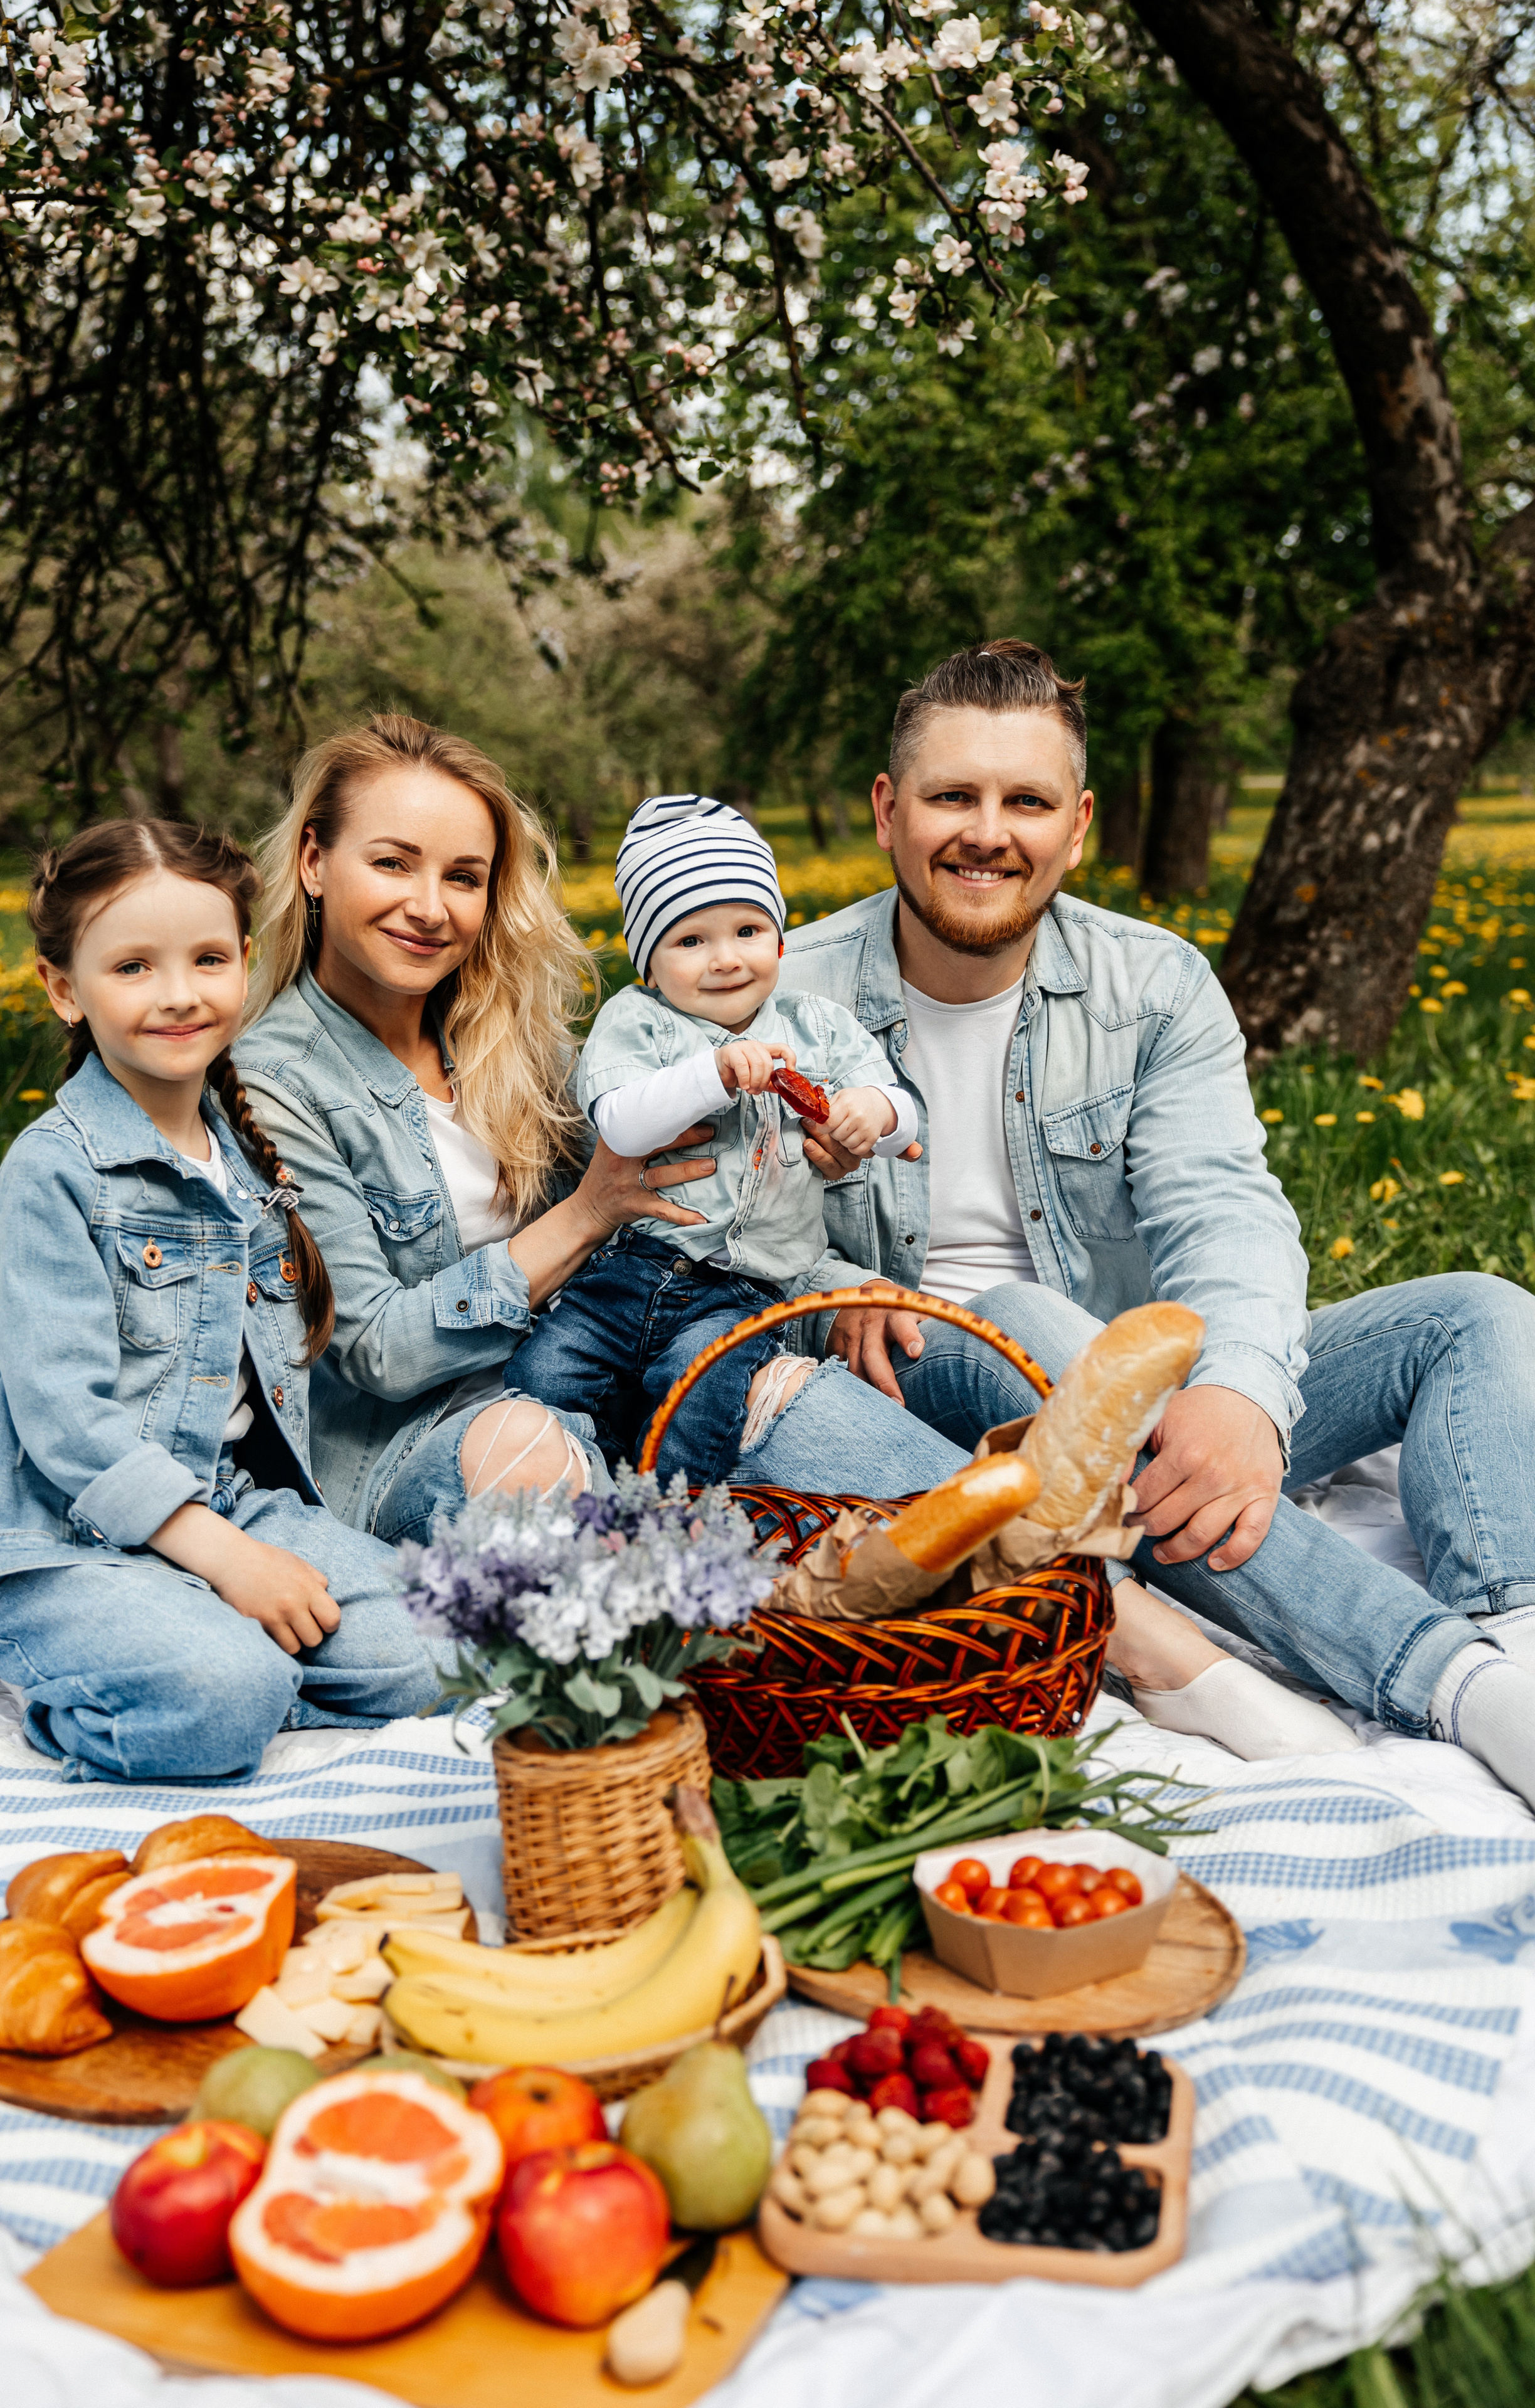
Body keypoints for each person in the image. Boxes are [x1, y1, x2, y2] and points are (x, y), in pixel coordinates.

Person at [782, 638, 1535, 1795]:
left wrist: (1238, 1396)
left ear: (1075, 826)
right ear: (890, 811)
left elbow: (1224, 1208)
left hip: (1142, 1399)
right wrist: (823, 1297)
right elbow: (714, 1256)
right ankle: (1442, 1680)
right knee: (1022, 1314)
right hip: (932, 1414)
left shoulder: (1157, 983)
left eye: (1025, 801)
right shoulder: (779, 994)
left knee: (1474, 1314)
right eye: (953, 796)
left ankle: (1519, 1643)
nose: (989, 831)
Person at [234, 717, 966, 1551]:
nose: (430, 907)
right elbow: (379, 1354)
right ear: (314, 862)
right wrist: (586, 1216)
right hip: (432, 1440)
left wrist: (832, 1292)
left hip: (627, 1362)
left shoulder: (515, 1041)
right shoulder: (272, 1084)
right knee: (537, 1453)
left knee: (899, 1368)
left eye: (464, 877)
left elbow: (686, 1220)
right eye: (392, 863)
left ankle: (1087, 1603)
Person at [0, 822, 436, 1783]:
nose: (177, 994)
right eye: (132, 967)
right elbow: (65, 1422)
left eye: (207, 959)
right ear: (64, 990)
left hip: (231, 1500)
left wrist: (242, 1545)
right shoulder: (53, 1177)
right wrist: (217, 1557)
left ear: (244, 964)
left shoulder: (240, 1152)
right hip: (63, 1537)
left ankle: (198, 1649)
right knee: (219, 1700)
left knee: (427, 1648)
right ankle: (135, 1678)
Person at [509, 793, 920, 1482]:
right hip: (631, 1268)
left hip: (746, 1290)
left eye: (748, 931)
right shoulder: (637, 1022)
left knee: (700, 1389)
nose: (725, 958)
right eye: (690, 941)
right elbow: (619, 1120)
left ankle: (668, 1520)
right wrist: (712, 1076)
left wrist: (872, 1113)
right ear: (648, 963)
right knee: (544, 1370)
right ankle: (571, 1488)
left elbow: (904, 1116)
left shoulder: (815, 1026)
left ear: (781, 941)